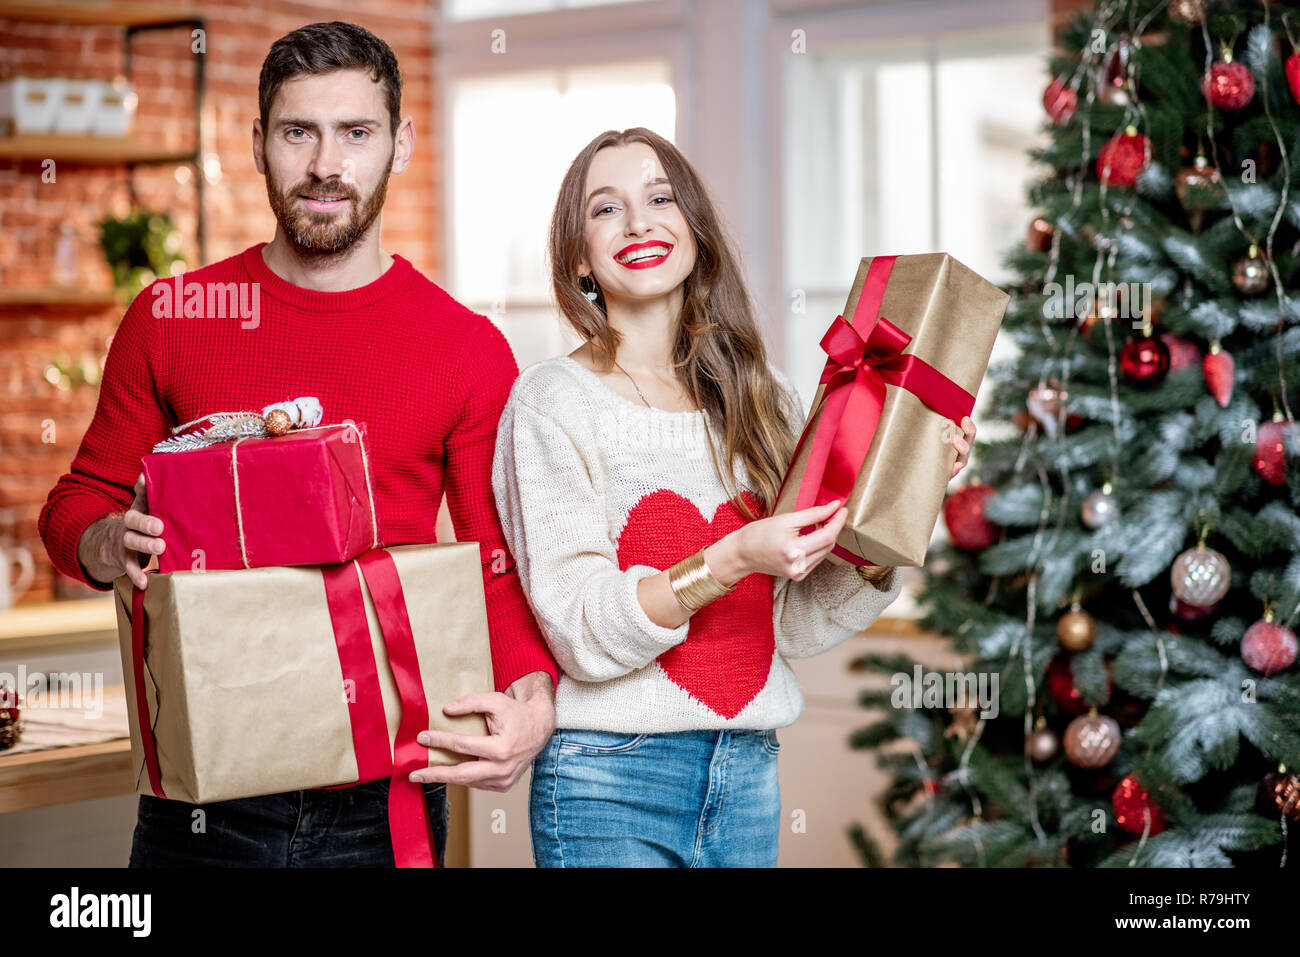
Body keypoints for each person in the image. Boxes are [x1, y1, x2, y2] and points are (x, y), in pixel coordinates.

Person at [37, 21, 558, 867]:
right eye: (298, 132)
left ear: (401, 142)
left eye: (357, 132)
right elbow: (75, 506)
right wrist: (105, 539)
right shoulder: (171, 320)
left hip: (385, 790)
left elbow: (495, 559)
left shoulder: (464, 347)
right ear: (258, 144)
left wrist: (533, 699)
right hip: (204, 793)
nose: (327, 164)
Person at [457, 127, 973, 866]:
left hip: (748, 771)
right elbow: (580, 627)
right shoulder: (550, 401)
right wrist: (729, 557)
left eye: (660, 197)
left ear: (694, 226)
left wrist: (911, 490)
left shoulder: (764, 396)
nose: (639, 223)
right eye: (606, 209)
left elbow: (789, 626)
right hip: (608, 778)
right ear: (578, 256)